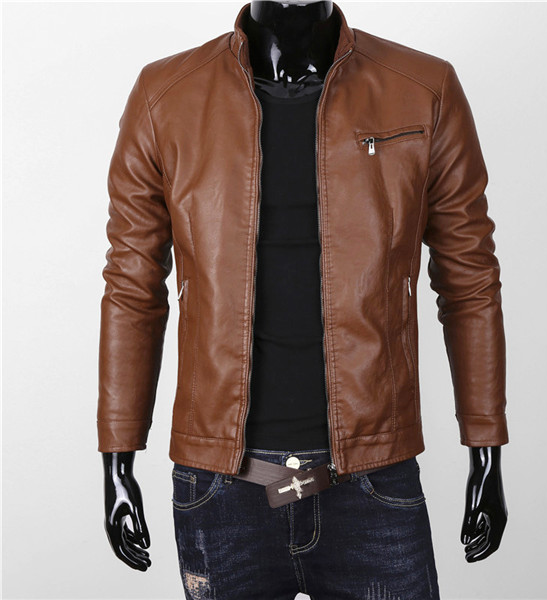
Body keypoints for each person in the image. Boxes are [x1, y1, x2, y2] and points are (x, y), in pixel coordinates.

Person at [98, 2, 509, 598]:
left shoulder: (423, 89)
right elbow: (132, 287)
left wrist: (486, 447)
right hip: (222, 488)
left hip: (373, 480)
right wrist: (117, 456)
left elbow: (469, 279)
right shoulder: (166, 96)